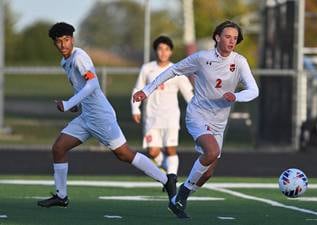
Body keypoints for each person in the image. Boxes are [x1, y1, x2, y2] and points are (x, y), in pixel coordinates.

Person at [37, 22, 176, 208]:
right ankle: (61, 196)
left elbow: (93, 85)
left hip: (101, 117)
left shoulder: (79, 57)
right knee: (58, 149)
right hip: (87, 116)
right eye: (59, 41)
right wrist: (76, 104)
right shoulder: (65, 62)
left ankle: (166, 180)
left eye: (66, 40)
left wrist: (69, 103)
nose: (63, 45)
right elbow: (83, 87)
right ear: (54, 43)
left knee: (125, 154)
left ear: (73, 39)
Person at [133, 20, 259, 218]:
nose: (231, 41)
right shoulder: (201, 58)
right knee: (212, 151)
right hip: (198, 115)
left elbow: (254, 90)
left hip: (219, 122)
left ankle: (177, 201)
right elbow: (172, 70)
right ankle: (181, 194)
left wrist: (237, 96)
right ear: (217, 37)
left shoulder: (239, 61)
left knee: (207, 173)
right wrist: (146, 90)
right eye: (227, 36)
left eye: (235, 38)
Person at [131, 36, 193, 176]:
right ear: (155, 51)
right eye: (160, 49)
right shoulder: (147, 69)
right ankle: (170, 172)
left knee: (170, 149)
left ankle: (172, 179)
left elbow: (189, 94)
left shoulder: (177, 70)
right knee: (152, 151)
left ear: (170, 52)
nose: (163, 52)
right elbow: (137, 90)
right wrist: (135, 108)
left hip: (170, 117)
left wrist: (196, 110)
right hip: (151, 117)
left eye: (166, 49)